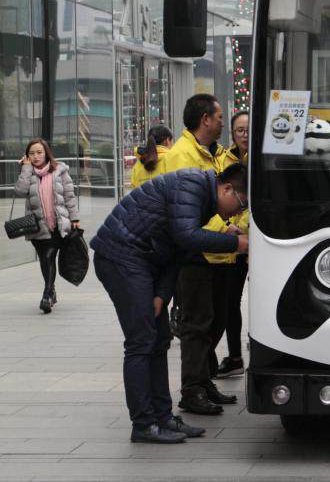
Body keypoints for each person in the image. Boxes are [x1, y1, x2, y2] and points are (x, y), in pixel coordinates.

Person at [90, 164, 249, 444]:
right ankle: (143, 423)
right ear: (227, 189)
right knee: (141, 341)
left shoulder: (203, 200)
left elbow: (179, 250)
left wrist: (162, 295)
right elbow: (188, 237)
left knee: (160, 338)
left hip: (144, 260)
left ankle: (163, 417)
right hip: (121, 254)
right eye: (241, 203)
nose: (238, 212)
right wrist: (236, 243)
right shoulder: (193, 184)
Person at [164, 94, 238, 414]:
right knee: (195, 323)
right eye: (219, 116)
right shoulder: (181, 155)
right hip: (193, 251)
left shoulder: (218, 154)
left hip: (219, 252)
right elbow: (187, 210)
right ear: (205, 119)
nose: (224, 121)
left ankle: (204, 380)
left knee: (214, 319)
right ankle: (191, 389)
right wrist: (225, 229)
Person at [14, 138, 80, 313]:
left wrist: (74, 218)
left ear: (46, 153)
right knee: (45, 258)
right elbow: (20, 191)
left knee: (49, 255)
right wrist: (26, 169)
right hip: (37, 226)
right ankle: (51, 292)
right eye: (31, 153)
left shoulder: (60, 171)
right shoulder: (27, 172)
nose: (35, 156)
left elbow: (69, 196)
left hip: (57, 224)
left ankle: (47, 294)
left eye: (39, 152)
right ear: (27, 156)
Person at [209, 111, 250, 379]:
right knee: (227, 302)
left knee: (239, 300)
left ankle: (239, 354)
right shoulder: (224, 159)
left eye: (248, 130)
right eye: (239, 131)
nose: (245, 135)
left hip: (247, 239)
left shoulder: (261, 159)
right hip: (227, 241)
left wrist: (243, 228)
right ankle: (234, 355)